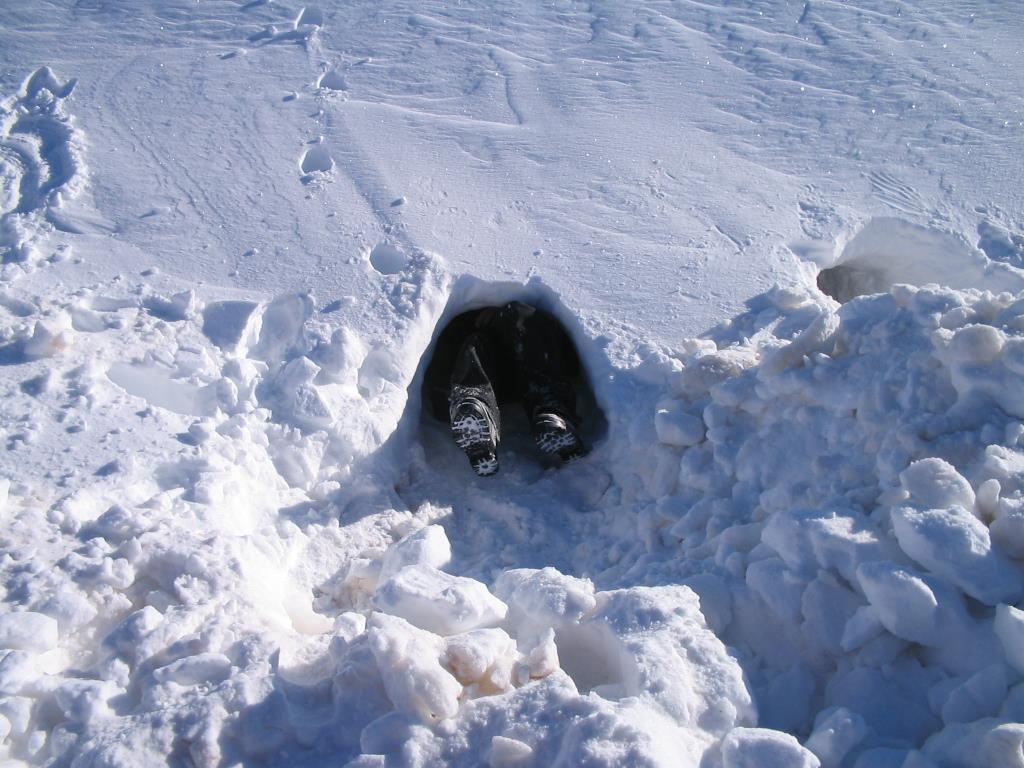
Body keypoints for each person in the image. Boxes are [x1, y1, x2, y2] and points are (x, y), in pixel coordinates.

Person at [423, 302, 588, 476]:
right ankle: (474, 412)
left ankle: (553, 417)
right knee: (475, 344)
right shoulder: (471, 333)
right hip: (490, 377)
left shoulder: (525, 320)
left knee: (524, 320)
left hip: (530, 368)